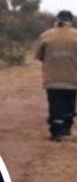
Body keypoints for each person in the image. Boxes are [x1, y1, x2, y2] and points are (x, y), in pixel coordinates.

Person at [32, 9, 77, 141]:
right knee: (69, 104)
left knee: (55, 105)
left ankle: (56, 132)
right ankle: (66, 129)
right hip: (72, 78)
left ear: (57, 20)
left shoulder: (46, 35)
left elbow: (39, 56)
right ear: (71, 21)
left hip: (52, 79)